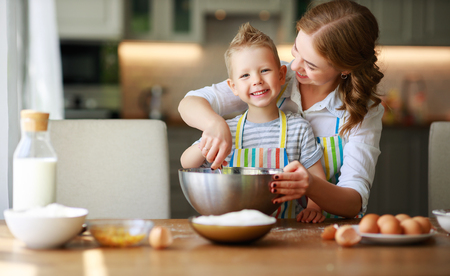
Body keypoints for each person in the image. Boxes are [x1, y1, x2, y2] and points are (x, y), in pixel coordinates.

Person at [178, 0, 384, 219]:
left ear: (345, 68)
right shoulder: (272, 78)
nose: (295, 67)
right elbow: (191, 102)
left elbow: (354, 202)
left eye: (311, 65)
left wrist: (312, 186)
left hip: (323, 230)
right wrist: (215, 124)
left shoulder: (363, 111)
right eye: (296, 50)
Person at [181, 23, 326, 222]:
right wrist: (209, 138)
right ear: (233, 86)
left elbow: (316, 178)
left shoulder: (299, 128)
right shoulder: (226, 130)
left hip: (286, 229)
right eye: (245, 75)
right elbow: (186, 163)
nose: (256, 80)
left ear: (282, 75)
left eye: (265, 70)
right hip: (233, 225)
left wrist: (315, 207)